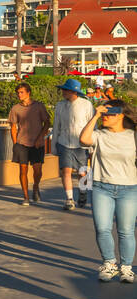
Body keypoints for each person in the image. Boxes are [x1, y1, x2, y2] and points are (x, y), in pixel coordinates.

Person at [80, 100, 137, 283]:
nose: (105, 116)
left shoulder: (133, 136)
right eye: (104, 113)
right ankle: (109, 264)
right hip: (101, 187)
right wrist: (95, 115)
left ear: (121, 115)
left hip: (129, 188)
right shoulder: (99, 135)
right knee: (102, 229)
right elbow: (83, 139)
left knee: (126, 231)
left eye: (109, 113)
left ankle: (126, 268)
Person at [54, 78, 96, 211]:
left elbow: (92, 125)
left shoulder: (86, 105)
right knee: (65, 171)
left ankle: (83, 193)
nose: (63, 92)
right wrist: (54, 145)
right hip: (64, 142)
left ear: (73, 91)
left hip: (81, 144)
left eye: (65, 90)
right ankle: (69, 199)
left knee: (82, 173)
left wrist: (92, 145)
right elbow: (56, 126)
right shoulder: (60, 105)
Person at [8, 82, 51, 205]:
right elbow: (13, 127)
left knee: (37, 171)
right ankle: (25, 196)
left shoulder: (39, 106)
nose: (19, 95)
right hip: (22, 143)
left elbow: (47, 123)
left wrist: (40, 138)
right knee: (23, 170)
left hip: (37, 144)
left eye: (22, 92)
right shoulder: (15, 108)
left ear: (28, 92)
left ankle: (36, 187)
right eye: (18, 93)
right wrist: (15, 143)